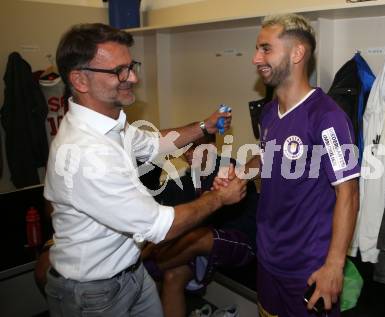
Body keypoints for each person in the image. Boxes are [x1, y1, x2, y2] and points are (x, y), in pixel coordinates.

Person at [43, 23, 246, 317]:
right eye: (119, 71)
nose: (134, 78)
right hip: (94, 294)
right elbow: (161, 227)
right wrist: (220, 198)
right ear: (80, 80)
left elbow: (152, 143)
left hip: (132, 274)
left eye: (131, 66)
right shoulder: (87, 152)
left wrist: (204, 126)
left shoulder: (108, 125)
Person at [216, 14, 360, 317]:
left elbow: (349, 192)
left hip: (309, 266)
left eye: (266, 49)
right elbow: (268, 156)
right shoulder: (268, 113)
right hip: (268, 258)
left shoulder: (327, 117)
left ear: (297, 53)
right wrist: (240, 174)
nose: (256, 58)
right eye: (257, 49)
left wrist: (334, 266)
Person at [143, 133, 258, 317]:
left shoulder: (229, 169)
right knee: (172, 276)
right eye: (184, 148)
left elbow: (208, 220)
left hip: (242, 240)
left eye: (194, 147)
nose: (187, 153)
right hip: (204, 245)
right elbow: (159, 198)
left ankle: (144, 270)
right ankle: (148, 267)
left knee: (197, 235)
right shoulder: (189, 178)